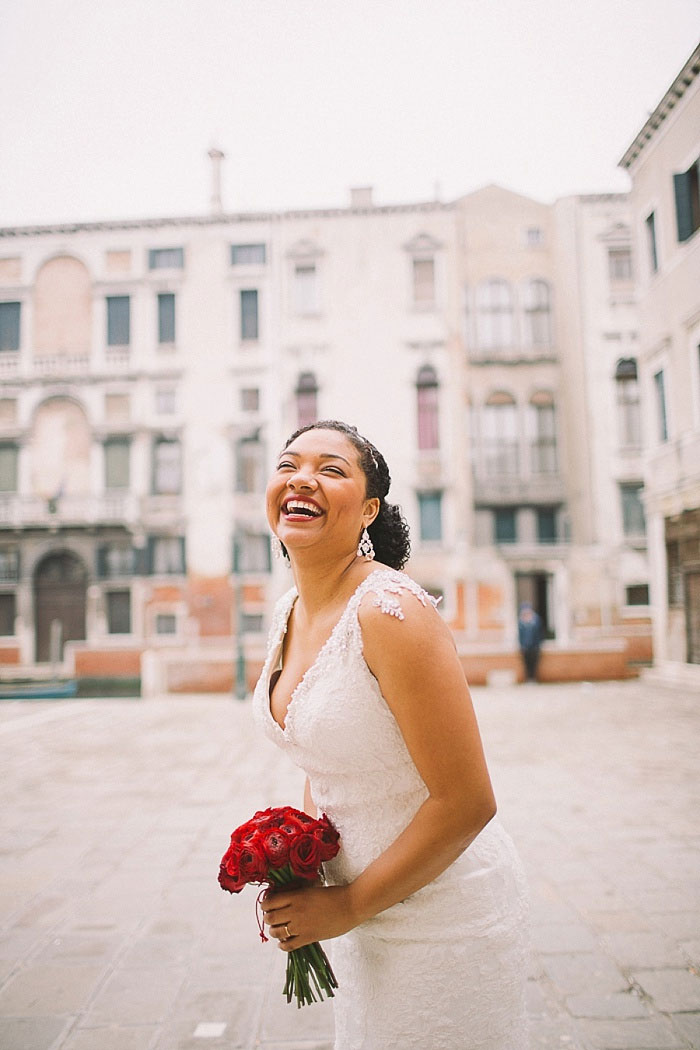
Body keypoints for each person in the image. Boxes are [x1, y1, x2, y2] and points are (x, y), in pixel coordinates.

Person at [255, 420, 529, 1050]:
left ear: (369, 510)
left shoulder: (391, 611)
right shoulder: (288, 611)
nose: (302, 478)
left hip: (442, 918)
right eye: (288, 464)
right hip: (358, 918)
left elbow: (468, 801)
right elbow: (318, 747)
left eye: (332, 469)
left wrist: (346, 905)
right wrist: (298, 857)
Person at [518, 602, 543, 683]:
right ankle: (528, 678)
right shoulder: (521, 622)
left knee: (534, 664)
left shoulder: (536, 621)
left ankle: (533, 678)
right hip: (525, 647)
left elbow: (539, 634)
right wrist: (521, 645)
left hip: (534, 647)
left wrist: (538, 645)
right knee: (526, 664)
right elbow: (520, 635)